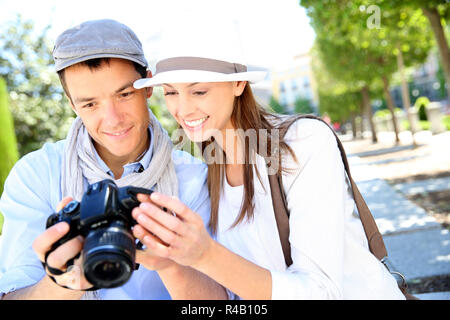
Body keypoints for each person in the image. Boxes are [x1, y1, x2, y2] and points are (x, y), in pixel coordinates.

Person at [130, 19, 406, 300]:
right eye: (171, 92)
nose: (183, 109)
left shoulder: (302, 142)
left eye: (199, 91)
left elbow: (321, 293)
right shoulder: (208, 170)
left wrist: (206, 255)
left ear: (238, 83)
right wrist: (170, 261)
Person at [0, 19, 226, 300]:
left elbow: (222, 302)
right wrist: (64, 282)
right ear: (73, 105)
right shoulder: (35, 175)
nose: (113, 119)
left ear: (147, 86)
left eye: (124, 94)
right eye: (90, 104)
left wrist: (168, 262)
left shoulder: (196, 177)